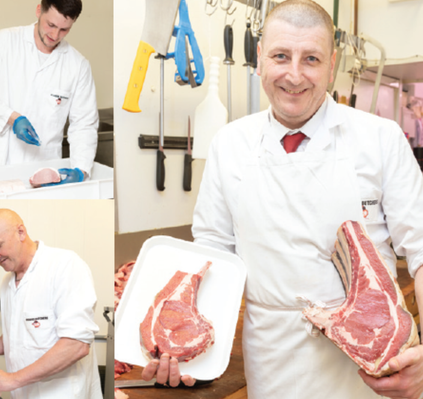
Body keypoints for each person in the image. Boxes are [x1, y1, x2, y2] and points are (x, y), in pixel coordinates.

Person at [142, 1, 423, 398]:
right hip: (270, 358)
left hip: (369, 362)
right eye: (280, 56)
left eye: (310, 58)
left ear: (331, 64)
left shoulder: (380, 138)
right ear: (259, 59)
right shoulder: (230, 144)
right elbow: (211, 255)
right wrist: (184, 346)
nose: (294, 75)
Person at [0, 0, 98, 184]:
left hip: (43, 171)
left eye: (64, 29)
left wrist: (81, 170)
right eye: (50, 25)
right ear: (38, 10)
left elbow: (84, 124)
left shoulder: (78, 65)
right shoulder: (4, 41)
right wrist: (13, 118)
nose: (54, 34)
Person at [0, 209, 102, 398]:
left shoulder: (65, 266)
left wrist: (12, 379)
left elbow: (76, 344)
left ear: (21, 232)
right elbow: (25, 329)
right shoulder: (7, 282)